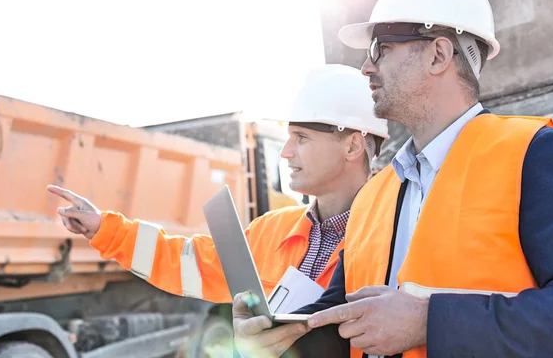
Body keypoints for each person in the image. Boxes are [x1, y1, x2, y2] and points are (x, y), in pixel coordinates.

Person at [232, 0, 553, 358]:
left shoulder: (535, 154)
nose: (366, 67)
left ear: (438, 55)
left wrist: (428, 322)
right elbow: (340, 323)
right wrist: (276, 335)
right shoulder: (373, 196)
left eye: (382, 48)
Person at [47, 63, 389, 316]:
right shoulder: (272, 230)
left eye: (301, 138)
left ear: (352, 146)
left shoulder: (394, 234)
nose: (286, 152)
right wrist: (104, 229)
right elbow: (187, 263)